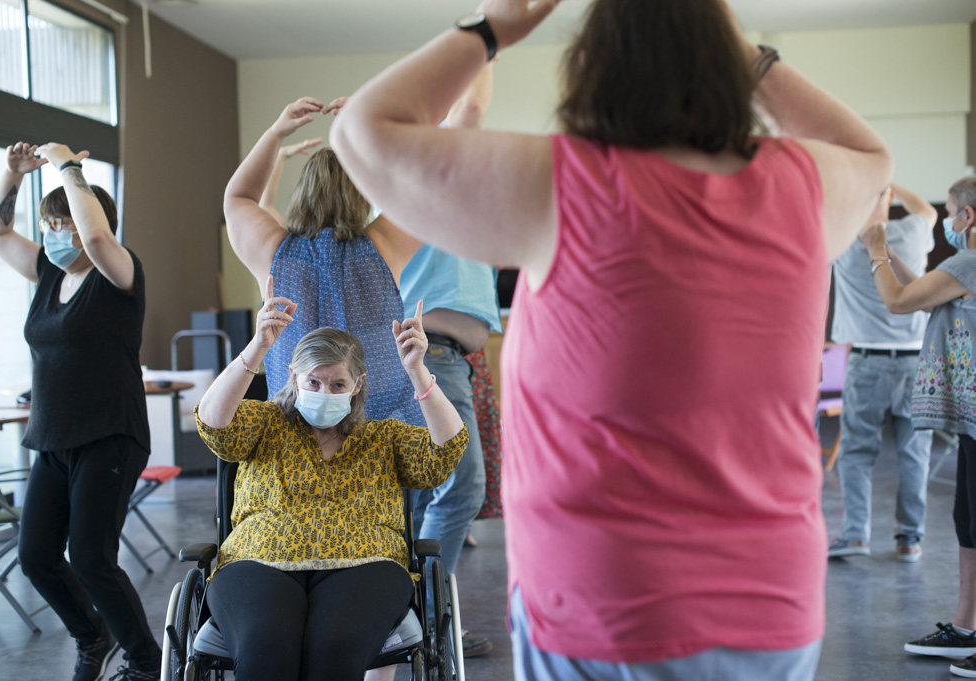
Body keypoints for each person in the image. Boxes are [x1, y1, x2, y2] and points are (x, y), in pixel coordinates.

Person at [330, 0, 893, 678]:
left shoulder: (568, 183)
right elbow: (871, 156)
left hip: (600, 608)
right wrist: (747, 59)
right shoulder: (799, 188)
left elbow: (361, 134)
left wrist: (493, 28)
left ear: (588, 68)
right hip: (769, 606)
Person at [194, 281, 468, 681]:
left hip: (366, 561)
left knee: (335, 648)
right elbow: (212, 423)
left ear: (357, 385)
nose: (325, 392)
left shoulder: (382, 437)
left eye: (338, 384)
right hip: (259, 558)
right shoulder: (265, 424)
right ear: (293, 377)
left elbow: (446, 450)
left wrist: (417, 370)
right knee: (266, 646)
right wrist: (259, 346)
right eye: (314, 382)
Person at [0, 142, 161, 681]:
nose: (56, 233)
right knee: (35, 556)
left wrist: (66, 163)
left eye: (64, 222)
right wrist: (11, 176)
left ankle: (145, 661)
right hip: (53, 440)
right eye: (49, 223)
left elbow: (100, 236)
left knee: (90, 558)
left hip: (111, 435)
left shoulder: (119, 274)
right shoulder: (48, 275)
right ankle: (92, 638)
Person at [223, 97, 423, 429]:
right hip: (379, 433)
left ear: (301, 193)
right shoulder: (384, 245)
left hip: (294, 434)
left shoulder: (274, 252)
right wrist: (370, 128)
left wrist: (276, 133)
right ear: (361, 194)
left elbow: (239, 197)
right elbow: (424, 182)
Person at [400, 63, 500, 657]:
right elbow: (468, 115)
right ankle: (426, 616)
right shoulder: (424, 183)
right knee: (460, 488)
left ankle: (413, 620)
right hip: (430, 356)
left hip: (446, 358)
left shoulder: (463, 205)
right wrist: (487, 44)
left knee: (421, 496)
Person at [859, 176, 976, 679]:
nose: (947, 221)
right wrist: (892, 262)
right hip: (972, 417)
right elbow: (924, 292)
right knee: (968, 524)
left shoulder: (971, 261)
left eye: (950, 212)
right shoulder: (961, 266)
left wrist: (876, 250)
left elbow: (899, 302)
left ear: (966, 217)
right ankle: (966, 625)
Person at [827, 182, 937, 562]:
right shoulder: (910, 232)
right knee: (914, 454)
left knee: (856, 452)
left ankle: (856, 536)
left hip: (866, 362)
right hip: (915, 362)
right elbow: (927, 209)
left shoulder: (843, 241)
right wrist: (893, 186)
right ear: (889, 199)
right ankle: (909, 539)